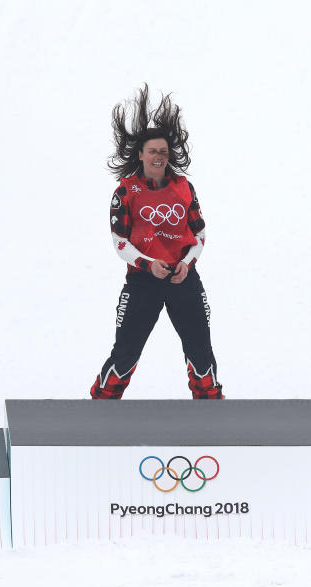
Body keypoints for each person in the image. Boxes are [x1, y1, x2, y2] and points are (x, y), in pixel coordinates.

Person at [89, 85, 223, 399]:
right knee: (125, 353)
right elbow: (119, 241)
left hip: (183, 280)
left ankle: (211, 413)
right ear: (140, 155)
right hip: (142, 282)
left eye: (163, 151)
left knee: (201, 353)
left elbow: (200, 233)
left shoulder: (184, 188)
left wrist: (186, 265)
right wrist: (149, 265)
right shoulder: (126, 191)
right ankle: (100, 410)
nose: (159, 156)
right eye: (152, 151)